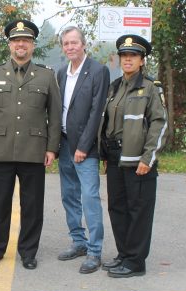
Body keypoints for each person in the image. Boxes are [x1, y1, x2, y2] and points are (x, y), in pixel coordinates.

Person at [0, 20, 62, 270]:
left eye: (25, 40)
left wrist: (52, 148)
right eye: (16, 40)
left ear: (33, 45)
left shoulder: (46, 75)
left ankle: (28, 252)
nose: (20, 44)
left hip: (34, 150)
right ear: (10, 44)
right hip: (0, 148)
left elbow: (54, 115)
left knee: (32, 206)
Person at [98, 34, 168, 278]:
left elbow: (159, 124)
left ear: (142, 60)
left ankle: (136, 262)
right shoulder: (115, 87)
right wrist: (104, 152)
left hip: (138, 160)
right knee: (117, 209)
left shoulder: (150, 88)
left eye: (133, 56)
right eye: (124, 55)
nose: (128, 59)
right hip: (116, 158)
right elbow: (107, 122)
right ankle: (124, 254)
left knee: (139, 210)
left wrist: (148, 158)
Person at [56, 26, 110, 274]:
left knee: (89, 197)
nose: (70, 47)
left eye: (74, 42)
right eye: (66, 43)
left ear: (84, 44)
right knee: (69, 195)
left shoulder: (98, 71)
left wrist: (83, 147)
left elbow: (97, 112)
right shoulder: (61, 73)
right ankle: (78, 242)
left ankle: (94, 251)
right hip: (65, 143)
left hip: (84, 147)